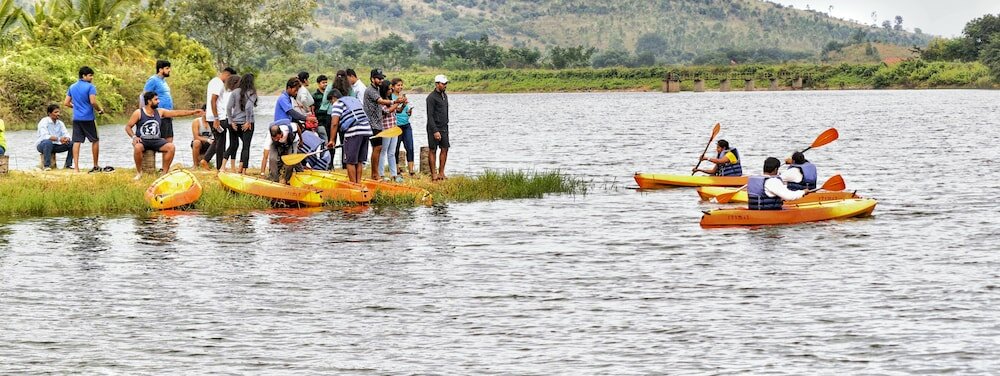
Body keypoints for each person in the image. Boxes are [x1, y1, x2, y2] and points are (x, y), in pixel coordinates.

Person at [126, 91, 203, 180]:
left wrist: (193, 112)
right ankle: (139, 172)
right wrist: (134, 137)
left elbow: (176, 113)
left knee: (171, 147)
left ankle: (164, 173)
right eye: (156, 99)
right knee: (137, 147)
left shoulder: (160, 112)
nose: (158, 101)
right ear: (149, 101)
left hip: (156, 140)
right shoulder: (138, 113)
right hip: (143, 140)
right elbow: (128, 127)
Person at [63, 66, 107, 173]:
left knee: (77, 141)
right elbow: (93, 102)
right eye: (90, 75)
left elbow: (66, 103)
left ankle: (76, 168)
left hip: (77, 118)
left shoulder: (72, 87)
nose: (92, 78)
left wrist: (76, 107)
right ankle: (95, 165)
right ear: (84, 76)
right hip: (88, 118)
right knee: (95, 140)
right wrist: (99, 110)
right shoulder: (90, 87)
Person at [326, 89, 372, 184]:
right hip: (366, 130)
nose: (331, 104)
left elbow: (334, 123)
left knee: (350, 161)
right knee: (359, 160)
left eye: (330, 102)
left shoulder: (337, 104)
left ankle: (353, 185)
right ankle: (358, 183)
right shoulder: (354, 100)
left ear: (334, 98)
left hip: (354, 132)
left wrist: (331, 140)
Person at [204, 67, 236, 170]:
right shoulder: (218, 83)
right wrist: (216, 118)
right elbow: (213, 100)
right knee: (221, 141)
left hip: (214, 115)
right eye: (230, 79)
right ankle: (219, 167)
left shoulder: (214, 81)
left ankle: (206, 160)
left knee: (219, 140)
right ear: (227, 75)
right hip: (217, 117)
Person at [227, 73, 258, 174]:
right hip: (247, 123)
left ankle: (238, 167)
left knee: (236, 144)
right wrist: (248, 121)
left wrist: (231, 121)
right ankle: (243, 169)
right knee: (246, 146)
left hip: (236, 123)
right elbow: (249, 107)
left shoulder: (235, 92)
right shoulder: (252, 93)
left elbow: (228, 107)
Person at [143, 60, 176, 144]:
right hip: (158, 115)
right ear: (160, 69)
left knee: (169, 141)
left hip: (168, 115)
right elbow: (145, 96)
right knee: (156, 141)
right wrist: (145, 114)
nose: (169, 70)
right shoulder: (153, 80)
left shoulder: (163, 81)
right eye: (167, 68)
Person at [426, 74, 451, 181]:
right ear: (437, 84)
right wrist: (435, 130)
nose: (445, 85)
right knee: (433, 149)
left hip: (444, 126)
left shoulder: (444, 95)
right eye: (443, 84)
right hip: (433, 127)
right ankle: (433, 174)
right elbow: (430, 116)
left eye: (446, 83)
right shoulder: (431, 97)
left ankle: (441, 172)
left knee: (445, 148)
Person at [377, 80, 402, 182]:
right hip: (386, 129)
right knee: (383, 152)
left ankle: (394, 174)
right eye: (389, 89)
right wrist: (397, 103)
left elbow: (396, 110)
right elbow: (387, 111)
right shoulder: (381, 101)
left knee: (392, 152)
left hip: (393, 127)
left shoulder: (390, 99)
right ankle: (381, 174)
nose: (391, 91)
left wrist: (402, 104)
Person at [390, 78, 415, 176]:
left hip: (406, 124)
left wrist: (409, 112)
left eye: (401, 85)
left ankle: (411, 170)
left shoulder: (403, 96)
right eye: (398, 85)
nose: (400, 87)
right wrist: (403, 106)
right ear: (393, 87)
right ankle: (396, 169)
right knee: (395, 148)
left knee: (410, 147)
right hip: (396, 125)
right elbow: (397, 110)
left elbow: (405, 111)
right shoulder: (391, 97)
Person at [36, 104, 73, 170]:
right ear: (49, 113)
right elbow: (45, 136)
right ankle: (47, 166)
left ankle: (68, 165)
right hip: (42, 145)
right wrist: (59, 139)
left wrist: (67, 139)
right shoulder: (44, 121)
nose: (58, 114)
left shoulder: (60, 123)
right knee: (48, 142)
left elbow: (66, 134)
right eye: (56, 112)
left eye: (59, 112)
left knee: (72, 143)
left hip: (56, 145)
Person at [267, 119, 301, 183]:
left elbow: (297, 127)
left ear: (280, 133)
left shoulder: (289, 128)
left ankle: (286, 179)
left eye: (277, 138)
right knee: (272, 159)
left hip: (292, 142)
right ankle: (275, 179)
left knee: (291, 161)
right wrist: (262, 173)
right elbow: (265, 154)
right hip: (278, 145)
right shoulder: (269, 137)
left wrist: (301, 140)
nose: (276, 139)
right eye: (274, 138)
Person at [221, 74, 241, 171]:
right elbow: (231, 109)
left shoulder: (227, 93)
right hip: (231, 120)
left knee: (235, 143)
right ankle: (223, 166)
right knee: (233, 144)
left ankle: (232, 167)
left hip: (228, 119)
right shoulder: (233, 94)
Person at [312, 74, 330, 142]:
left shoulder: (329, 94)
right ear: (318, 84)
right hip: (320, 123)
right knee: (324, 142)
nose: (325, 84)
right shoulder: (314, 96)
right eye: (323, 82)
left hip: (328, 122)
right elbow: (312, 110)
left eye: (326, 82)